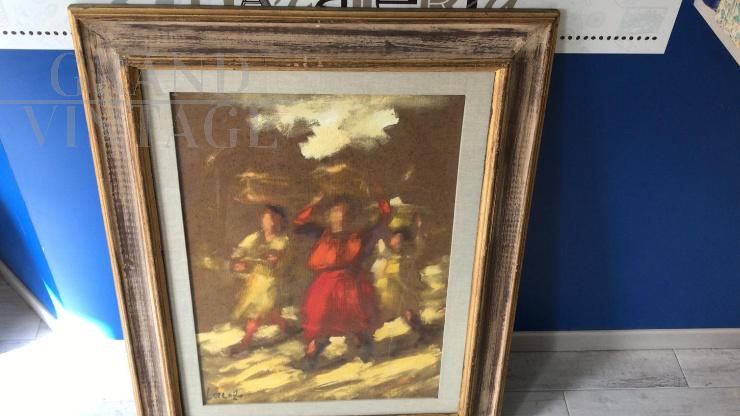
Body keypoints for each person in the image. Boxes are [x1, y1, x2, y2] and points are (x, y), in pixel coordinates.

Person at [293, 193, 391, 366]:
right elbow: (298, 225)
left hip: (351, 285)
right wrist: (313, 204)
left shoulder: (358, 238)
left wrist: (382, 201)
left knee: (357, 318)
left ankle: (364, 347)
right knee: (319, 318)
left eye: (345, 213)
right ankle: (312, 353)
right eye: (336, 212)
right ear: (329, 215)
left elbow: (382, 223)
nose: (340, 217)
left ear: (351, 217)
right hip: (325, 286)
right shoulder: (320, 234)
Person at [228, 205, 291, 356]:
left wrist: (248, 262)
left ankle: (246, 342)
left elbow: (272, 259)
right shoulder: (255, 237)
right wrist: (238, 259)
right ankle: (285, 327)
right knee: (269, 312)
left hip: (270, 280)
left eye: (273, 219)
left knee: (256, 312)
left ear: (280, 221)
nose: (270, 223)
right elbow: (240, 251)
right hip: (255, 280)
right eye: (267, 219)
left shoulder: (282, 240)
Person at [372, 221, 426, 329]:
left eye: (400, 241)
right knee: (388, 302)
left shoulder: (408, 257)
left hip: (406, 289)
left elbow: (419, 247)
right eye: (395, 240)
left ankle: (413, 320)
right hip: (391, 291)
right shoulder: (387, 256)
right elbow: (381, 254)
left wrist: (420, 230)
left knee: (408, 304)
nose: (397, 243)